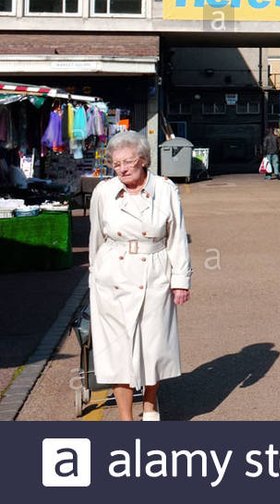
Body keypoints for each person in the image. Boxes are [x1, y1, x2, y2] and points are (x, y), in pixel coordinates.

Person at [88, 131, 192, 421]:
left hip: (154, 272)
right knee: (117, 350)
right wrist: (95, 275)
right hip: (113, 275)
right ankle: (126, 418)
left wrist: (180, 281)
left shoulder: (165, 189)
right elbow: (96, 238)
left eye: (128, 162)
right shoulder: (103, 192)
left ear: (144, 160)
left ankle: (149, 404)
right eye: (116, 163)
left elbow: (177, 237)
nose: (122, 169)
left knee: (153, 346)